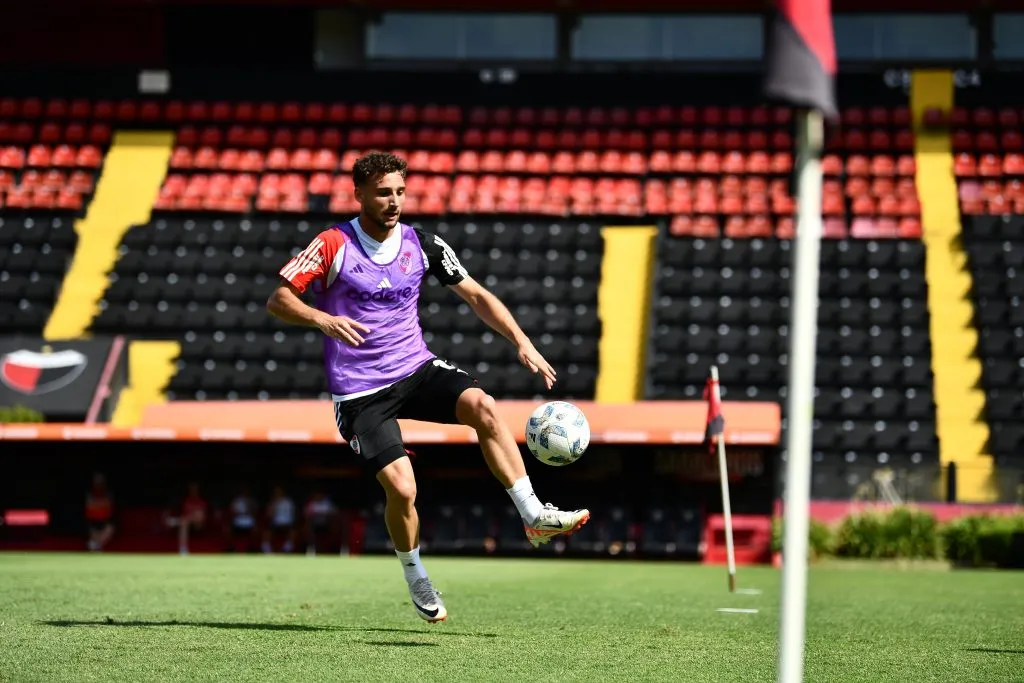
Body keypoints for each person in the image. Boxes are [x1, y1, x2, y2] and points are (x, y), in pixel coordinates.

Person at [267, 151, 590, 623]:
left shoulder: (424, 244)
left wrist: (521, 341)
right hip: (359, 392)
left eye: (400, 191)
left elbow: (476, 295)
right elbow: (279, 298)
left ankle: (533, 514)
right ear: (358, 194)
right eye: (383, 192)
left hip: (415, 368)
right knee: (402, 488)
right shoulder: (332, 244)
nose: (394, 201)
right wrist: (323, 319)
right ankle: (415, 573)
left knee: (483, 404)